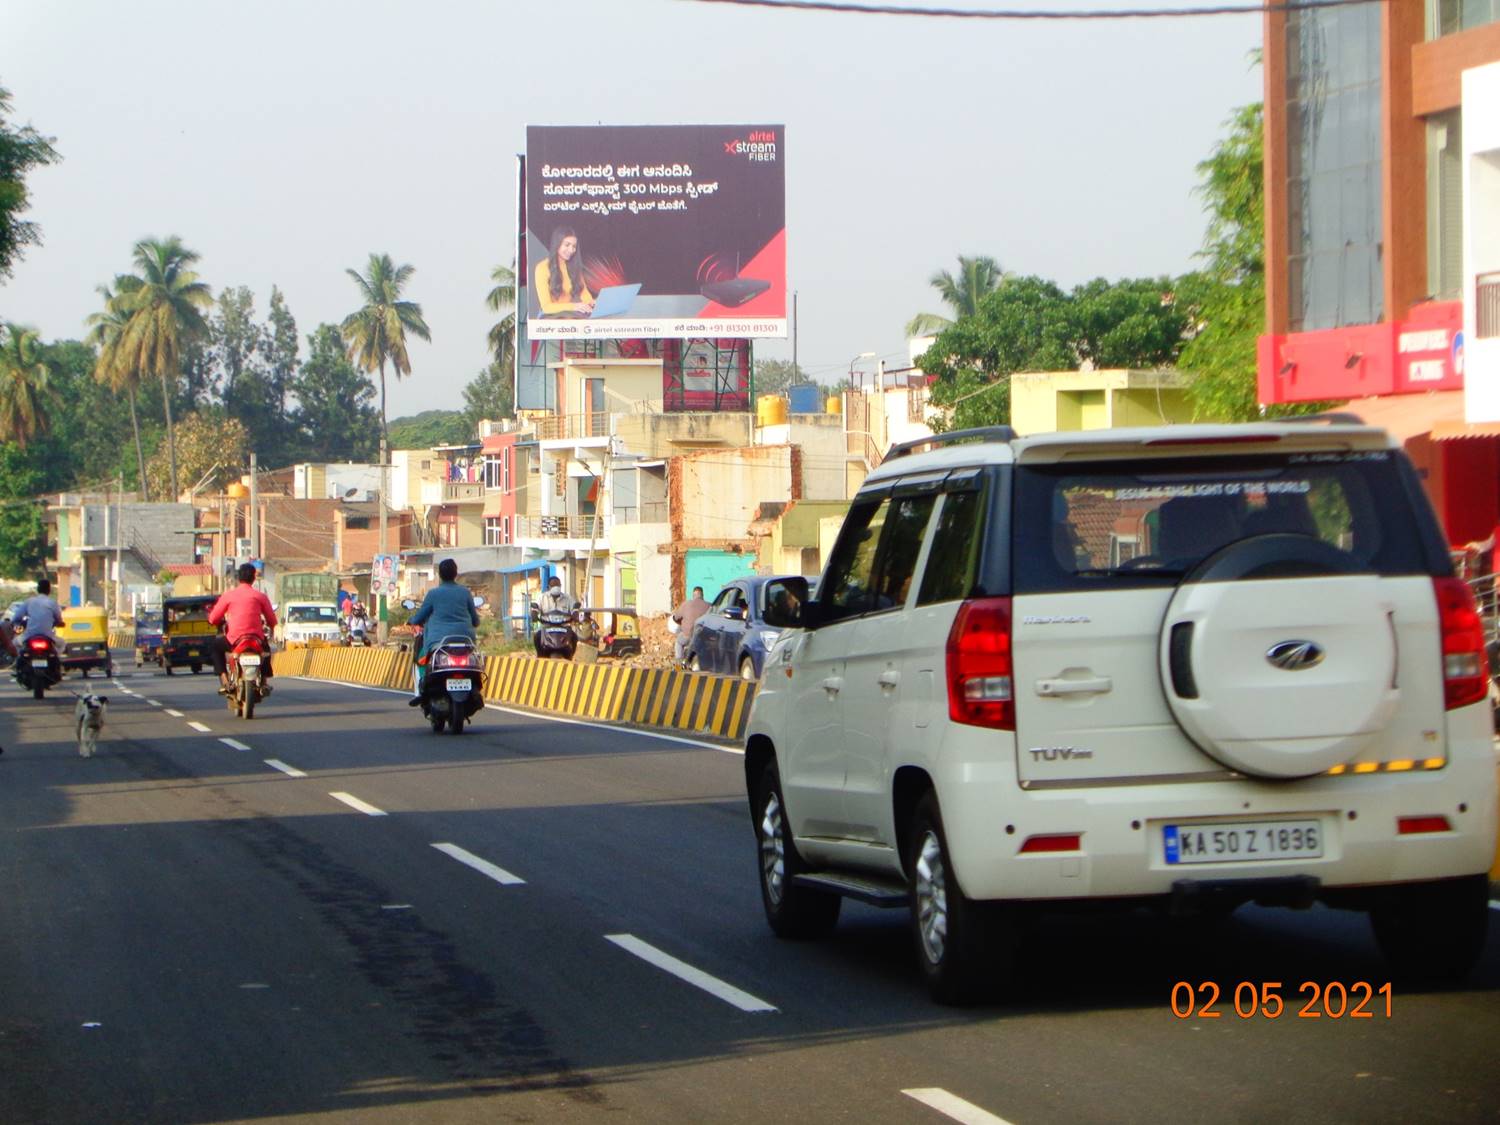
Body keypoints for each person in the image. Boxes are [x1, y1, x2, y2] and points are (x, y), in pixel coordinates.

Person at [407, 558, 481, 704]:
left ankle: (421, 692)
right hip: (465, 641)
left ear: (440, 575)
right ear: (456, 573)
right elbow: (476, 620)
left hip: (437, 642)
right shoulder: (465, 593)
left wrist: (413, 620)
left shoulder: (433, 594)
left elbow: (420, 616)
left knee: (421, 659)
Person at [208, 563, 278, 696]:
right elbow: (272, 620)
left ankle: (224, 680)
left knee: (216, 647)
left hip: (234, 640)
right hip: (256, 640)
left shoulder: (229, 596)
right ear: (253, 578)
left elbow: (213, 619)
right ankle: (264, 682)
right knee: (266, 651)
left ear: (238, 578)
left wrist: (216, 621)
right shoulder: (260, 596)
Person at [534, 226, 594, 316]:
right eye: (567, 245)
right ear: (557, 244)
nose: (571, 250)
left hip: (567, 315)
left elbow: (584, 294)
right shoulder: (542, 268)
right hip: (549, 317)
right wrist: (573, 306)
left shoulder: (574, 267)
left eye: (574, 246)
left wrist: (592, 303)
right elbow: (546, 307)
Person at [15, 578, 66, 652]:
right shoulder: (52, 603)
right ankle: (56, 660)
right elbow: (59, 620)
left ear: (38, 589)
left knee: (15, 643)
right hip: (48, 636)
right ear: (49, 590)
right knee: (62, 643)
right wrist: (59, 623)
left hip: (29, 635)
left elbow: (16, 617)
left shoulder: (29, 601)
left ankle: (17, 662)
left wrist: (18, 623)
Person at [672, 586, 710, 664]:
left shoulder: (686, 604)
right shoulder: (709, 606)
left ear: (693, 595)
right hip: (703, 638)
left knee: (679, 643)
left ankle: (678, 666)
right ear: (702, 595)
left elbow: (676, 618)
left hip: (688, 636)